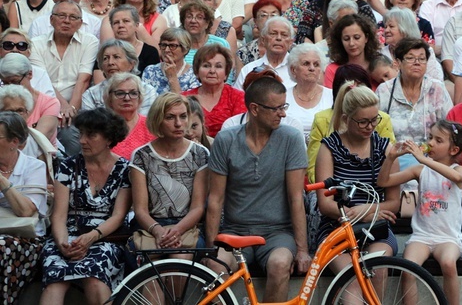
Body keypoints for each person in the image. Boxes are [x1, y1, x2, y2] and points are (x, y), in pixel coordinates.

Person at [206, 76, 310, 302]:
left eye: (284, 106)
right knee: (215, 265)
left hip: (277, 233)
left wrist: (302, 250)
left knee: (280, 263)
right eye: (276, 108)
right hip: (234, 231)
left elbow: (296, 198)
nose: (282, 114)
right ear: (254, 109)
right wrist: (211, 247)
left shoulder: (291, 138)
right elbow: (215, 199)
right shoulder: (226, 140)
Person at [40, 108, 131, 304]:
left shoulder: (125, 169)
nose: (82, 140)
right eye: (80, 134)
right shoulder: (67, 166)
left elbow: (118, 216)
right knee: (55, 279)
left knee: (95, 277)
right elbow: (58, 216)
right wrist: (63, 244)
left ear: (109, 138)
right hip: (66, 235)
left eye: (91, 135)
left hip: (105, 237)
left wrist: (91, 237)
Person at [377, 120, 462, 305]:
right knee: (408, 268)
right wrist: (391, 158)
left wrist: (423, 158)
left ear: (453, 150)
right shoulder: (420, 170)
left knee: (449, 264)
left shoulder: (457, 169)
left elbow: (457, 177)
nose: (431, 143)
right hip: (422, 236)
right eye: (430, 138)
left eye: (438, 140)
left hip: (447, 237)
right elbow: (383, 182)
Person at [315, 83, 400, 271]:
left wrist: (364, 212)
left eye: (374, 120)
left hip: (376, 227)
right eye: (363, 122)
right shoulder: (329, 147)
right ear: (346, 118)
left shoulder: (385, 149)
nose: (370, 127)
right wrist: (365, 215)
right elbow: (325, 203)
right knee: (350, 277)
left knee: (378, 268)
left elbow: (394, 202)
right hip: (336, 226)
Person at [130, 93, 208, 256]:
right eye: (170, 117)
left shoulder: (199, 154)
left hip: (187, 226)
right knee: (149, 260)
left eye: (183, 116)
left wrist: (177, 230)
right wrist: (159, 231)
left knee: (181, 257)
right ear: (158, 120)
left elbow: (197, 207)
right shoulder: (141, 155)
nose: (178, 124)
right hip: (150, 226)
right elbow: (141, 210)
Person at [376, 36, 451, 164]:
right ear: (398, 63)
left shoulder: (437, 89)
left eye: (422, 59)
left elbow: (449, 128)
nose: (417, 62)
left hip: (431, 161)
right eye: (410, 58)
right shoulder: (384, 91)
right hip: (393, 160)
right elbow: (375, 130)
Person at [0, 112, 47, 303]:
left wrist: (2, 180)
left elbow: (26, 211)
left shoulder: (34, 167)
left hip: (26, 238)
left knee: (1, 246)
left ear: (14, 141)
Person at [29, 0, 98, 127]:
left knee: (70, 136)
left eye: (73, 17)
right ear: (51, 20)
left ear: (80, 23)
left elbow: (83, 81)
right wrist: (61, 107)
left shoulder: (90, 42)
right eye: (61, 16)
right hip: (44, 104)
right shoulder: (35, 44)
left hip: (76, 106)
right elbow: (42, 82)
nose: (67, 21)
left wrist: (70, 110)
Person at [181, 44, 245, 138]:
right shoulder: (184, 98)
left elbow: (240, 133)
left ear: (226, 73)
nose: (212, 71)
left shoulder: (238, 97)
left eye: (218, 66)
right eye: (206, 66)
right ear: (197, 71)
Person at [82, 39, 157, 115]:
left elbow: (146, 123)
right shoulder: (91, 94)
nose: (110, 62)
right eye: (105, 58)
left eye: (116, 57)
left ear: (131, 64)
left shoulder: (147, 91)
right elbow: (88, 125)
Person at [285, 44, 333, 141]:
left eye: (316, 64)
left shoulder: (332, 96)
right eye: (306, 63)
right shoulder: (283, 96)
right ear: (293, 69)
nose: (312, 68)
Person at [324, 14, 380, 87]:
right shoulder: (333, 70)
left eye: (356, 37)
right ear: (340, 41)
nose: (351, 43)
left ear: (366, 38)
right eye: (346, 39)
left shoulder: (379, 65)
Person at [141, 28, 201, 95]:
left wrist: (172, 78)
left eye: (172, 46)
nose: (166, 50)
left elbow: (187, 104)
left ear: (185, 49)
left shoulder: (194, 74)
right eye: (163, 45)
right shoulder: (150, 71)